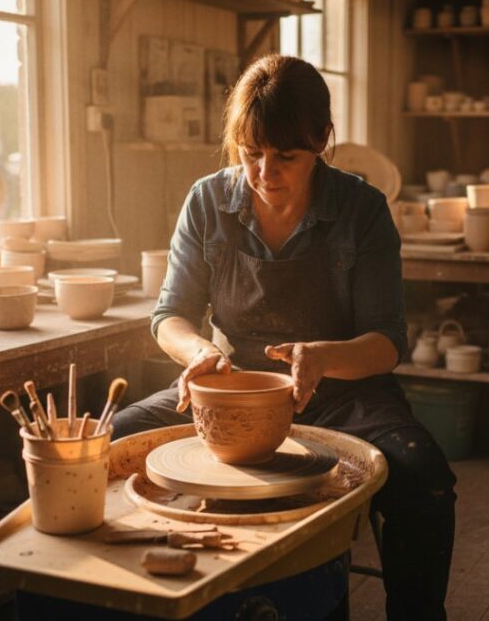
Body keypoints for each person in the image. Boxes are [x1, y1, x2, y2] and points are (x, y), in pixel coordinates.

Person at [111, 54, 456, 619]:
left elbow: (388, 341)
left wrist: (322, 357)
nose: (265, 172)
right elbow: (169, 315)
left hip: (343, 388)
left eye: (285, 156)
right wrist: (198, 352)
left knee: (423, 475)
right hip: (230, 388)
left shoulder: (361, 210)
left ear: (322, 139)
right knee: (110, 444)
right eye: (251, 154)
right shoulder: (206, 202)